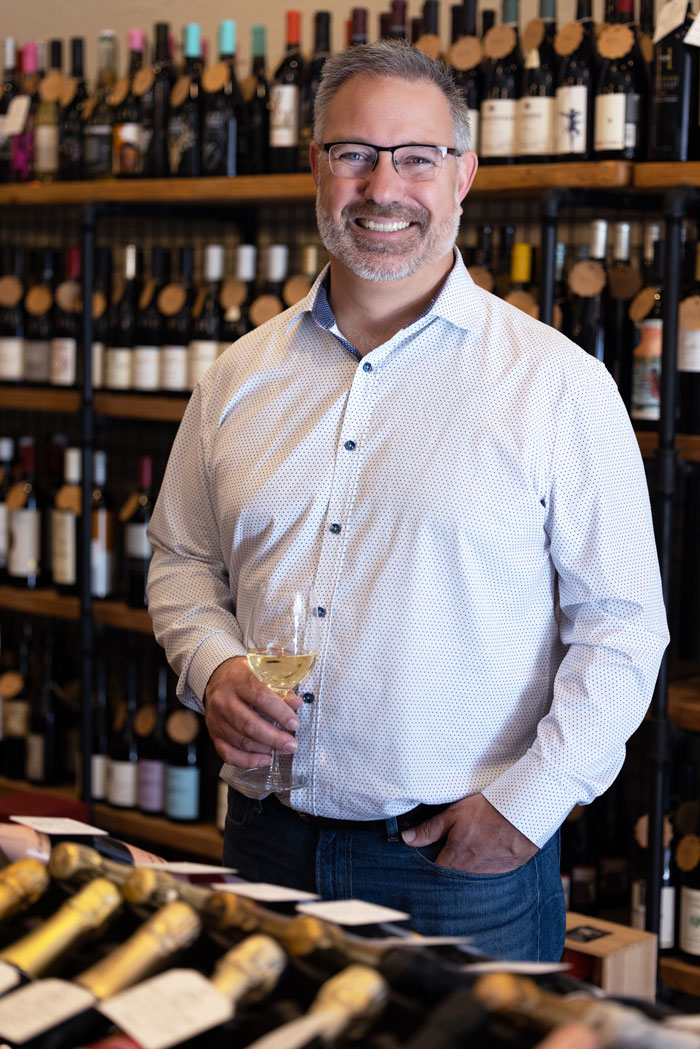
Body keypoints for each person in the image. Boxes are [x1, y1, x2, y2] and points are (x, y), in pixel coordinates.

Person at [147, 41, 668, 962]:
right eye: (354, 153)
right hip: (264, 840)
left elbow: (623, 628)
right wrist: (213, 663)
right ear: (316, 165)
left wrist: (529, 805)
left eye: (415, 157)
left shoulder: (557, 386)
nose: (383, 187)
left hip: (456, 867)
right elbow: (184, 561)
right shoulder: (237, 375)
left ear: (465, 174)